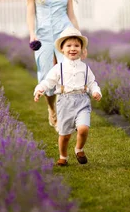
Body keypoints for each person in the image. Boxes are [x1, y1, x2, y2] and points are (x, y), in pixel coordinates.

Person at [27, 0, 84, 131]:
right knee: (46, 75)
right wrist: (32, 34)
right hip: (43, 36)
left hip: (64, 33)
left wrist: (80, 39)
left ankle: (66, 115)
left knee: (66, 73)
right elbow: (30, 13)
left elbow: (72, 15)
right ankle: (51, 108)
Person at [33, 27, 101, 166]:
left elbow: (92, 82)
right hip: (65, 102)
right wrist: (40, 89)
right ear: (62, 49)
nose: (73, 48)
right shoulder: (59, 68)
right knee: (65, 135)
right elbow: (48, 81)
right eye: (68, 45)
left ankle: (79, 149)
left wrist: (96, 91)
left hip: (82, 101)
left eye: (76, 45)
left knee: (83, 129)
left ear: (82, 49)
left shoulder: (85, 68)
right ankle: (63, 157)